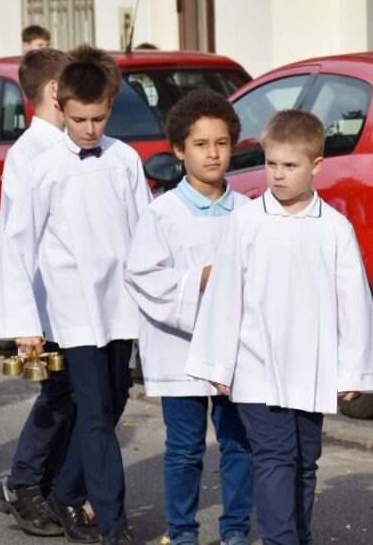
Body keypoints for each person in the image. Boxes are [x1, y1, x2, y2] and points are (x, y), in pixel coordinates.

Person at [184, 110, 373, 545]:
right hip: (256, 364)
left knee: (304, 460)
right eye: (271, 164)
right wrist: (219, 363)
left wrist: (352, 368)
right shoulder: (247, 221)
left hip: (310, 367)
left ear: (316, 165)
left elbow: (353, 302)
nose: (278, 175)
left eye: (290, 165)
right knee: (274, 457)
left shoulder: (334, 228)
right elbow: (225, 295)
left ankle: (298, 536)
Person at [0, 53, 151, 545]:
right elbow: (17, 245)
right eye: (79, 119)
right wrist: (25, 322)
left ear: (110, 107)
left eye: (98, 119)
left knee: (114, 400)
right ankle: (112, 521)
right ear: (60, 108)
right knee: (96, 414)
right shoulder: (44, 168)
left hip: (119, 306)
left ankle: (66, 491)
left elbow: (145, 234)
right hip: (73, 310)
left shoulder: (125, 159)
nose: (89, 129)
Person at [124, 90, 254, 545]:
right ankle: (182, 532)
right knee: (184, 447)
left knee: (238, 442)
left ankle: (236, 528)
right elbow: (141, 276)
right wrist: (197, 279)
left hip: (236, 350)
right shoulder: (162, 213)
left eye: (221, 143)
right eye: (200, 144)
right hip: (180, 348)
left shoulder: (249, 212)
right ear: (179, 150)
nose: (212, 153)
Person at [0, 47, 75, 536]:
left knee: (75, 396)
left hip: (73, 298)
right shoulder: (29, 153)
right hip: (46, 299)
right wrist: (25, 319)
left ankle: (47, 483)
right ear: (54, 90)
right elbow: (18, 241)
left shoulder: (69, 144)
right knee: (59, 395)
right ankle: (23, 485)